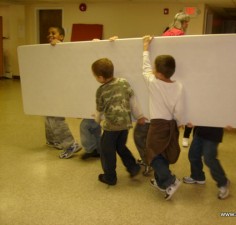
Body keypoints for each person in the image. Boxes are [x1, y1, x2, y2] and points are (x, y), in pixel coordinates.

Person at [142, 35, 184, 200]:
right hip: (171, 124)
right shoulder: (178, 86)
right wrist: (179, 122)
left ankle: (170, 181)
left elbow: (144, 69)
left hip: (158, 125)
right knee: (163, 152)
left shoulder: (153, 83)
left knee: (152, 153)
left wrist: (145, 47)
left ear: (158, 73)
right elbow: (179, 110)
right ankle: (160, 182)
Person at [92, 57, 142, 186]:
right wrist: (139, 115)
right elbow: (133, 101)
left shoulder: (101, 90)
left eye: (96, 77)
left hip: (111, 127)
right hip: (125, 124)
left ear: (101, 78)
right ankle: (133, 167)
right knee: (120, 146)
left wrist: (97, 121)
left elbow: (99, 110)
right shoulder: (123, 82)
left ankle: (110, 177)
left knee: (106, 151)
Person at [45, 26, 82, 159]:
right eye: (49, 33)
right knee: (47, 114)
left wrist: (59, 46)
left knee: (56, 118)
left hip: (61, 90)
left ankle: (70, 144)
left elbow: (70, 64)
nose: (50, 35)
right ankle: (53, 140)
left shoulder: (64, 48)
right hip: (51, 89)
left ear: (61, 36)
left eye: (53, 33)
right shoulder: (47, 50)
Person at [162, 11, 192, 148]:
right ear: (182, 22)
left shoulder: (165, 33)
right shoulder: (180, 35)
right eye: (186, 22)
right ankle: (184, 135)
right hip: (179, 73)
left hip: (166, 73)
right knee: (185, 105)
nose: (187, 25)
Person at [183, 126, 230, 199]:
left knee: (209, 159)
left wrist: (230, 122)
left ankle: (223, 182)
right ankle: (198, 176)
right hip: (200, 131)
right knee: (193, 155)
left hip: (214, 133)